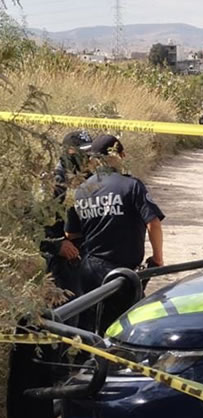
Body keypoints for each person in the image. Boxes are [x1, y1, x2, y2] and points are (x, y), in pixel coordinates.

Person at [65, 134, 166, 333]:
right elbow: (153, 223)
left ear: (93, 159)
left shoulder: (79, 191)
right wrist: (158, 258)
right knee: (125, 328)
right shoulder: (131, 186)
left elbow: (71, 235)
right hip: (121, 273)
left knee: (92, 328)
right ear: (120, 155)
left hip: (89, 271)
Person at [39, 131, 93, 312]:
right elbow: (36, 226)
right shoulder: (55, 181)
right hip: (60, 259)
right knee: (67, 313)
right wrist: (57, 245)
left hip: (82, 254)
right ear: (68, 152)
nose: (86, 157)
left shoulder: (85, 177)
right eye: (82, 152)